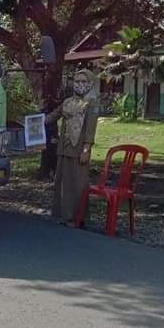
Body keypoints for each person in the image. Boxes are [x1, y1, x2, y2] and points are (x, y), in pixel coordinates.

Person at [46, 68, 101, 225]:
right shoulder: (68, 102)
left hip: (79, 149)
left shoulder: (92, 103)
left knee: (78, 183)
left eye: (84, 81)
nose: (80, 84)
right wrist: (33, 123)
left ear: (90, 84)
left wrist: (86, 150)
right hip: (64, 147)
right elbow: (53, 115)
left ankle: (78, 217)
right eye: (77, 81)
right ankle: (62, 214)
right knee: (62, 181)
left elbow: (90, 129)